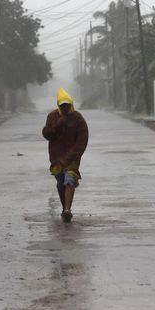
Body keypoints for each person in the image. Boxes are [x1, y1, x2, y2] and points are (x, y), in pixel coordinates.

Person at [42, 88, 89, 223]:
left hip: (72, 158)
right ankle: (64, 209)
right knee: (60, 184)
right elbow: (47, 134)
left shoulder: (78, 118)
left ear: (71, 104)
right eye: (62, 105)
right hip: (57, 157)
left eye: (67, 105)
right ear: (58, 105)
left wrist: (73, 155)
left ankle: (68, 209)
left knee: (69, 180)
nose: (65, 108)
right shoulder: (52, 117)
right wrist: (57, 125)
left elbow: (82, 140)